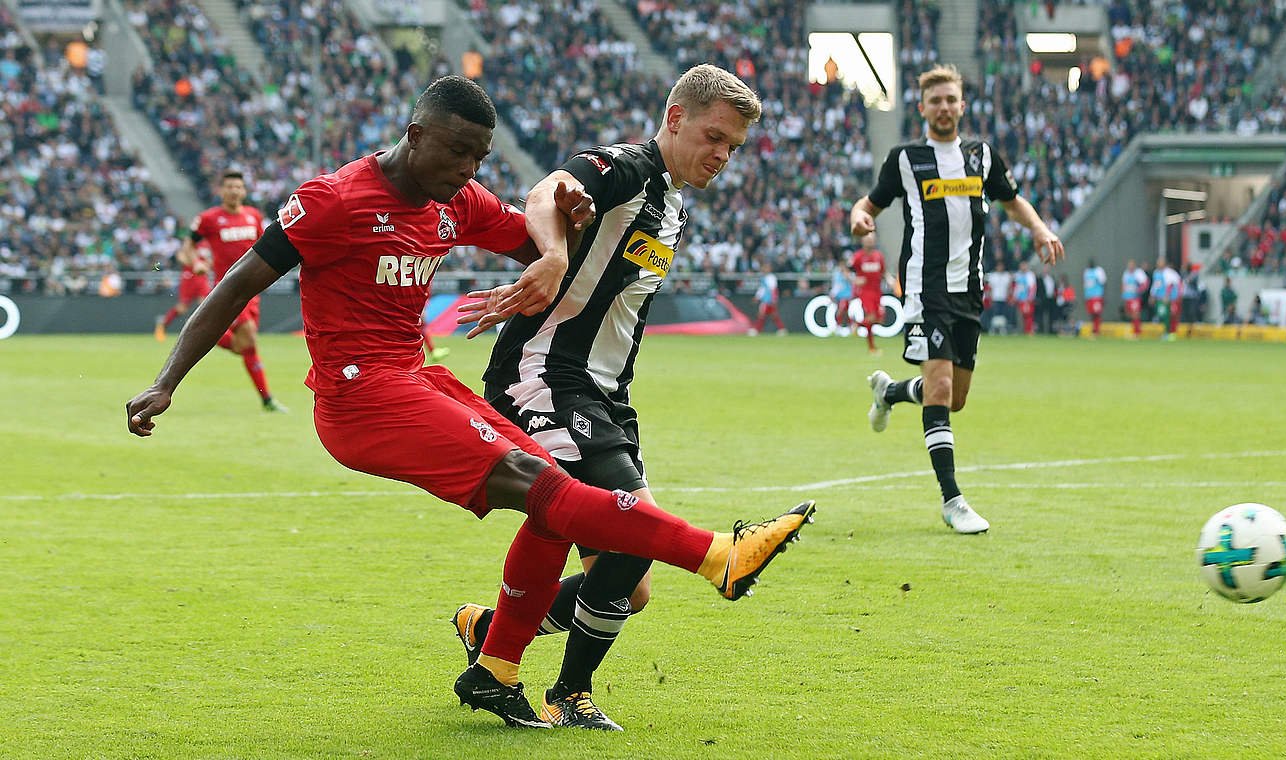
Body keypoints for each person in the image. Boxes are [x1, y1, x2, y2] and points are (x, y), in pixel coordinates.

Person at [125, 75, 815, 730]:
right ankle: (716, 556)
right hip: (358, 395)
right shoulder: (336, 199)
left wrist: (559, 237)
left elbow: (539, 238)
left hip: (417, 377)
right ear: (414, 134)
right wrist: (167, 380)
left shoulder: (455, 202)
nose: (466, 168)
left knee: (553, 495)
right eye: (456, 151)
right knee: (546, 486)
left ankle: (495, 667)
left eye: (479, 156)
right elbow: (237, 283)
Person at [451, 65, 773, 730]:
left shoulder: (674, 204)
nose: (722, 154)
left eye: (734, 147)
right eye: (714, 136)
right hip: (543, 376)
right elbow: (548, 192)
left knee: (634, 585)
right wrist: (553, 254)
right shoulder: (625, 168)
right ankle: (567, 694)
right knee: (631, 538)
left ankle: (489, 633)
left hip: (603, 398)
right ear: (676, 118)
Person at [850, 64, 1064, 534]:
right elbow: (869, 204)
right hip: (926, 290)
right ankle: (953, 501)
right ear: (923, 108)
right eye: (936, 101)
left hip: (969, 289)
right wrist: (858, 218)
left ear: (962, 106)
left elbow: (1012, 200)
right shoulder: (905, 159)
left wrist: (1041, 229)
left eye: (951, 100)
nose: (944, 107)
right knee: (942, 389)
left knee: (954, 399)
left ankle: (890, 392)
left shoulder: (982, 157)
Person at [178, 170, 287, 412]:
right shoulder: (209, 218)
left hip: (255, 289)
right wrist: (194, 261)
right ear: (221, 191)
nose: (234, 191)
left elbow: (266, 246)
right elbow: (186, 248)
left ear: (244, 191)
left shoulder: (253, 216)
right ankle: (268, 399)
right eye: (229, 187)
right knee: (247, 337)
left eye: (238, 187)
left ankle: (267, 400)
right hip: (230, 288)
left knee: (246, 347)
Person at [154, 238, 212, 341]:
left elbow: (211, 261)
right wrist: (195, 263)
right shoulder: (190, 241)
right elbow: (181, 257)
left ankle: (204, 332)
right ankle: (162, 325)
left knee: (206, 304)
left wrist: (207, 265)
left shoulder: (207, 243)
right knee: (182, 308)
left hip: (202, 277)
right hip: (189, 277)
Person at [850, 232, 888, 354]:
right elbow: (844, 269)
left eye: (872, 239)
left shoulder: (878, 256)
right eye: (867, 239)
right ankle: (872, 348)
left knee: (879, 320)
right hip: (865, 292)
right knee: (871, 318)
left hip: (877, 291)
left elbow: (883, 272)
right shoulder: (857, 256)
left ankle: (858, 324)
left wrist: (890, 281)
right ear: (863, 241)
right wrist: (854, 280)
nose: (870, 242)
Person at [750, 260, 787, 335]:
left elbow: (773, 289)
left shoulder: (771, 277)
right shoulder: (765, 277)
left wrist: (774, 299)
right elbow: (762, 289)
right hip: (766, 300)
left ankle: (756, 330)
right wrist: (757, 297)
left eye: (766, 267)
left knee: (762, 314)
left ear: (770, 269)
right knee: (773, 315)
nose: (764, 269)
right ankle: (782, 329)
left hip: (768, 300)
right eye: (764, 267)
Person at [1156, 259, 1183, 339]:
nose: (1158, 263)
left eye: (1160, 262)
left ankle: (1173, 333)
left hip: (1173, 297)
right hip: (1164, 298)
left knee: (1173, 314)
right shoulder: (1157, 273)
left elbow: (1170, 285)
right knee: (1165, 315)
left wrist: (1168, 296)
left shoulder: (1168, 273)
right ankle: (1167, 332)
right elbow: (1157, 285)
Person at [1121, 259, 1149, 337]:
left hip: (1135, 297)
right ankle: (1134, 331)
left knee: (1136, 314)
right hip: (1128, 297)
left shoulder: (1138, 273)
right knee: (1130, 315)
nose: (1130, 266)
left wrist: (1139, 290)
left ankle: (1137, 332)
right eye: (1128, 264)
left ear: (1134, 265)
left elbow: (1145, 283)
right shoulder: (1126, 273)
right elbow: (1124, 284)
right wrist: (1124, 293)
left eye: (1131, 264)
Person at [830, 258, 855, 336]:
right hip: (839, 297)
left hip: (847, 296)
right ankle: (851, 327)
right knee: (845, 313)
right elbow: (836, 286)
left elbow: (854, 284)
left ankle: (839, 327)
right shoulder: (837, 275)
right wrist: (832, 294)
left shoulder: (851, 274)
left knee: (841, 311)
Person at [1082, 258, 1106, 336]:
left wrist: (1103, 295)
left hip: (1097, 296)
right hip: (1089, 296)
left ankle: (1097, 330)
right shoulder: (1086, 272)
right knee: (1091, 314)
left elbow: (1103, 283)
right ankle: (1094, 330)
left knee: (1097, 313)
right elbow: (1085, 285)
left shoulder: (1099, 271)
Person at [1012, 259, 1036, 335]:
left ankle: (1029, 330)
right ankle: (1021, 330)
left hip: (1027, 300)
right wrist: (1014, 296)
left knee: (1028, 315)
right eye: (1021, 266)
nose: (1023, 267)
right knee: (1020, 316)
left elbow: (1032, 288)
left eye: (1024, 265)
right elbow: (1017, 287)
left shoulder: (1030, 275)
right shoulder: (1018, 275)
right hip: (1020, 299)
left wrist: (1030, 298)